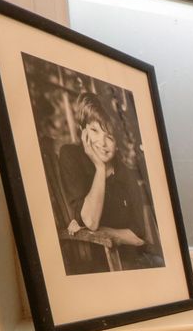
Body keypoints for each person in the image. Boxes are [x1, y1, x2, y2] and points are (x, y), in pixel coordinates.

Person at [58, 91, 163, 274]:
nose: (102, 142)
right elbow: (91, 220)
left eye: (110, 136)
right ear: (84, 132)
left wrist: (99, 229)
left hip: (136, 261)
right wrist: (100, 169)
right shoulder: (71, 156)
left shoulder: (126, 173)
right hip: (98, 267)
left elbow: (138, 237)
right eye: (94, 131)